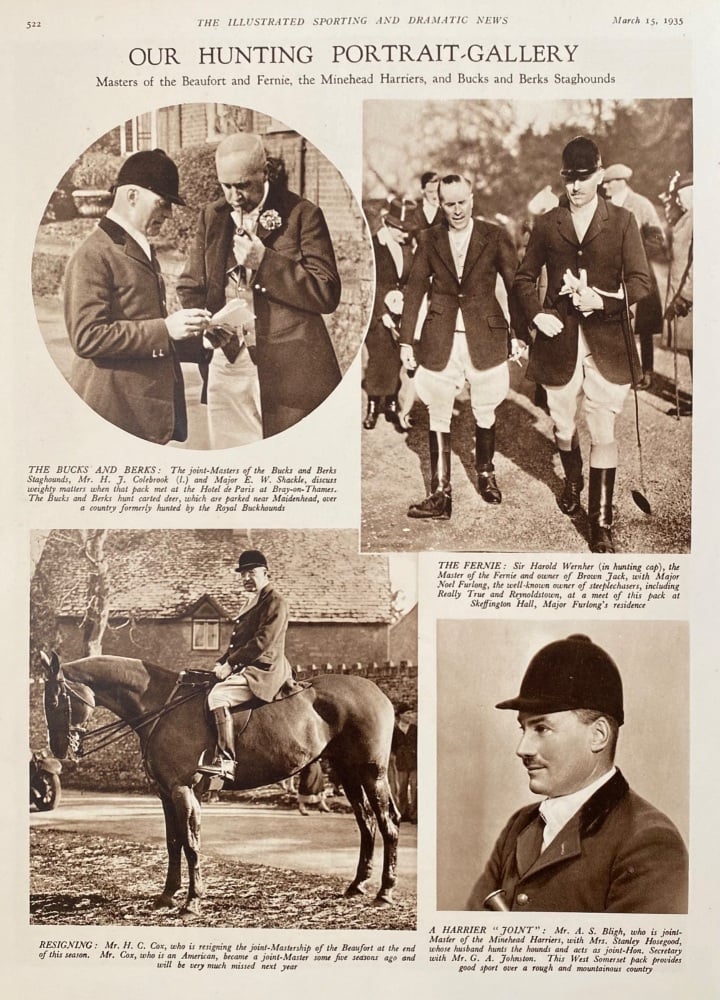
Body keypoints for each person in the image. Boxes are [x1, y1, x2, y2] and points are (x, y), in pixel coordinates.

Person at [468, 634, 688, 913]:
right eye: (523, 729)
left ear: (598, 735)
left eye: (542, 728)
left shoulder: (648, 841)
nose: (522, 748)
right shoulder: (520, 825)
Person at [512, 137, 652, 553]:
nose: (575, 186)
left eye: (584, 177)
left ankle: (600, 522)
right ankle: (572, 479)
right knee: (562, 423)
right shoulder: (547, 223)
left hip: (607, 341)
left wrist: (604, 300)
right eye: (568, 178)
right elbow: (523, 279)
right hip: (559, 339)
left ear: (600, 175)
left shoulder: (623, 221)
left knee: (603, 427)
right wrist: (537, 315)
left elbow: (641, 282)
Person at [177, 132, 342, 440]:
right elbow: (190, 285)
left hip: (287, 370)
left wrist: (265, 262)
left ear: (265, 172)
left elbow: (327, 292)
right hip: (225, 364)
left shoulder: (302, 215)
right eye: (226, 186)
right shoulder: (212, 216)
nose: (234, 196)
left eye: (243, 185)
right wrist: (206, 326)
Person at [64, 149, 211, 444]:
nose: (169, 214)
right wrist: (166, 329)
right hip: (114, 413)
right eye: (163, 203)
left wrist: (202, 340)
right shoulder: (93, 254)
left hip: (139, 412)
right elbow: (87, 337)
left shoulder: (135, 245)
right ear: (132, 196)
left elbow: (143, 323)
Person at [399, 173, 521, 519]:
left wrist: (519, 333)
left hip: (485, 336)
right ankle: (440, 494)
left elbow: (515, 285)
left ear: (472, 199)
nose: (456, 210)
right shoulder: (429, 238)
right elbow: (415, 289)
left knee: (485, 408)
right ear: (439, 203)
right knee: (438, 410)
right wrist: (406, 341)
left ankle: (485, 474)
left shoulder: (494, 235)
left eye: (462, 202)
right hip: (441, 338)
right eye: (449, 204)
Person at [198, 549, 292, 781]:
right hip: (249, 666)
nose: (246, 578)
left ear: (266, 573)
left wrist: (231, 664)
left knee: (218, 696)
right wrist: (222, 661)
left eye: (251, 573)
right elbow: (240, 643)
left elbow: (262, 641)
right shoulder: (253, 602)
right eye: (243, 574)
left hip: (264, 669)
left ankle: (227, 761)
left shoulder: (275, 602)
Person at [603, 163, 668, 389]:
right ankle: (623, 370)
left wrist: (635, 255)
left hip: (639, 273)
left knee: (644, 326)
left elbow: (657, 238)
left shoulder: (641, 204)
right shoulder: (604, 206)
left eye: (608, 183)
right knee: (617, 322)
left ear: (621, 182)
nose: (605, 187)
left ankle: (646, 371)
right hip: (611, 274)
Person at [363, 199, 415, 431]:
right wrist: (382, 312)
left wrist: (405, 304)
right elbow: (371, 282)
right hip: (378, 314)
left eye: (408, 230)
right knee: (378, 358)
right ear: (389, 225)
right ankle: (373, 405)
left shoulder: (408, 248)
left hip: (401, 313)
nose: (405, 234)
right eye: (401, 230)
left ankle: (392, 402)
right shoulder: (375, 246)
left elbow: (410, 280)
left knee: (395, 357)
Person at [661, 171, 693, 408]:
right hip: (685, 295)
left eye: (680, 196)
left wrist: (686, 296)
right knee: (693, 351)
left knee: (700, 352)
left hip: (691, 298)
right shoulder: (687, 216)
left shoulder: (701, 218)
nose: (678, 201)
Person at [389, 703, 418, 823]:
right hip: (401, 763)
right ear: (400, 715)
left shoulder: (415, 729)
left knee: (415, 788)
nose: (410, 715)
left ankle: (414, 815)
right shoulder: (395, 730)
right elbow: (392, 747)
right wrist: (397, 756)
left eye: (411, 713)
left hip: (414, 762)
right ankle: (403, 813)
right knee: (402, 788)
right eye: (407, 713)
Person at [404, 170, 440, 236]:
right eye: (430, 192)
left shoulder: (445, 211)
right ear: (422, 190)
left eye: (437, 191)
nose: (435, 196)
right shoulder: (412, 211)